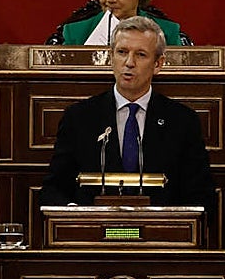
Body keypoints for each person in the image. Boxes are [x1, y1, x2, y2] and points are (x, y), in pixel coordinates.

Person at [40, 16, 215, 212]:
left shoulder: (182, 121)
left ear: (158, 64)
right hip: (94, 235)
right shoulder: (79, 117)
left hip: (160, 236)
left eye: (140, 55)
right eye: (122, 52)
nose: (129, 63)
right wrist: (75, 217)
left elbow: (201, 194)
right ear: (111, 57)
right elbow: (54, 189)